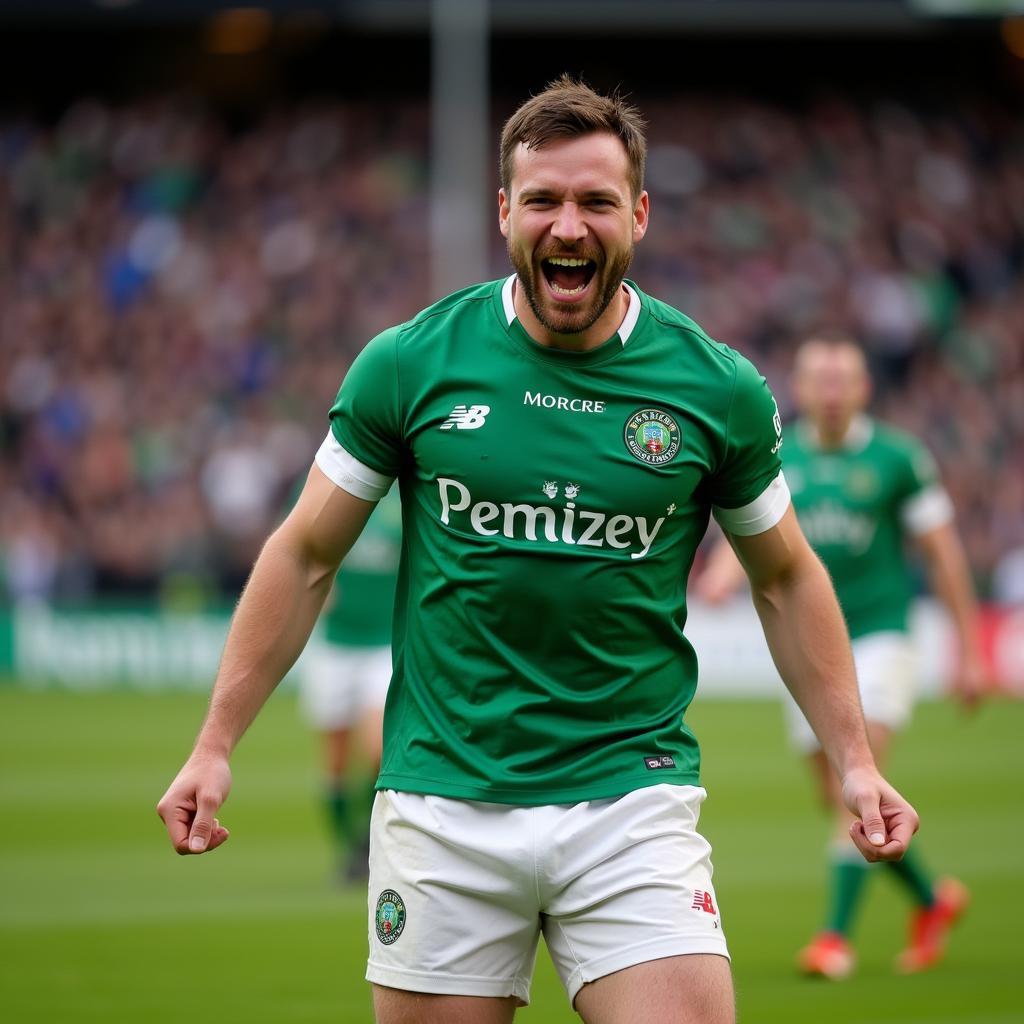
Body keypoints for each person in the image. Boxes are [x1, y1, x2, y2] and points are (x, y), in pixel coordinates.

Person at [158, 77, 919, 1024]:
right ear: (505, 211)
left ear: (638, 215)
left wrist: (853, 758)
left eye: (597, 201)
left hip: (630, 800)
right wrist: (214, 744)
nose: (570, 226)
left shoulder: (716, 388)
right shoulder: (409, 362)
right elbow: (305, 552)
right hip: (445, 800)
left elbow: (786, 574)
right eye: (546, 200)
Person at [695, 335, 984, 980]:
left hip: (881, 635)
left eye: (841, 379)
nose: (830, 391)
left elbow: (942, 554)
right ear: (797, 390)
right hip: (813, 649)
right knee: (837, 792)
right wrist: (720, 572)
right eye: (818, 380)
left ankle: (833, 940)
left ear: (863, 389)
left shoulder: (897, 458)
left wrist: (968, 651)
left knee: (858, 780)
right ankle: (934, 901)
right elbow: (752, 528)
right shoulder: (781, 453)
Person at [298, 484, 402, 882]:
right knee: (335, 763)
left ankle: (368, 842)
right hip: (335, 644)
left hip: (383, 642)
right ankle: (350, 847)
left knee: (378, 749)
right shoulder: (333, 480)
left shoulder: (403, 492)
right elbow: (297, 533)